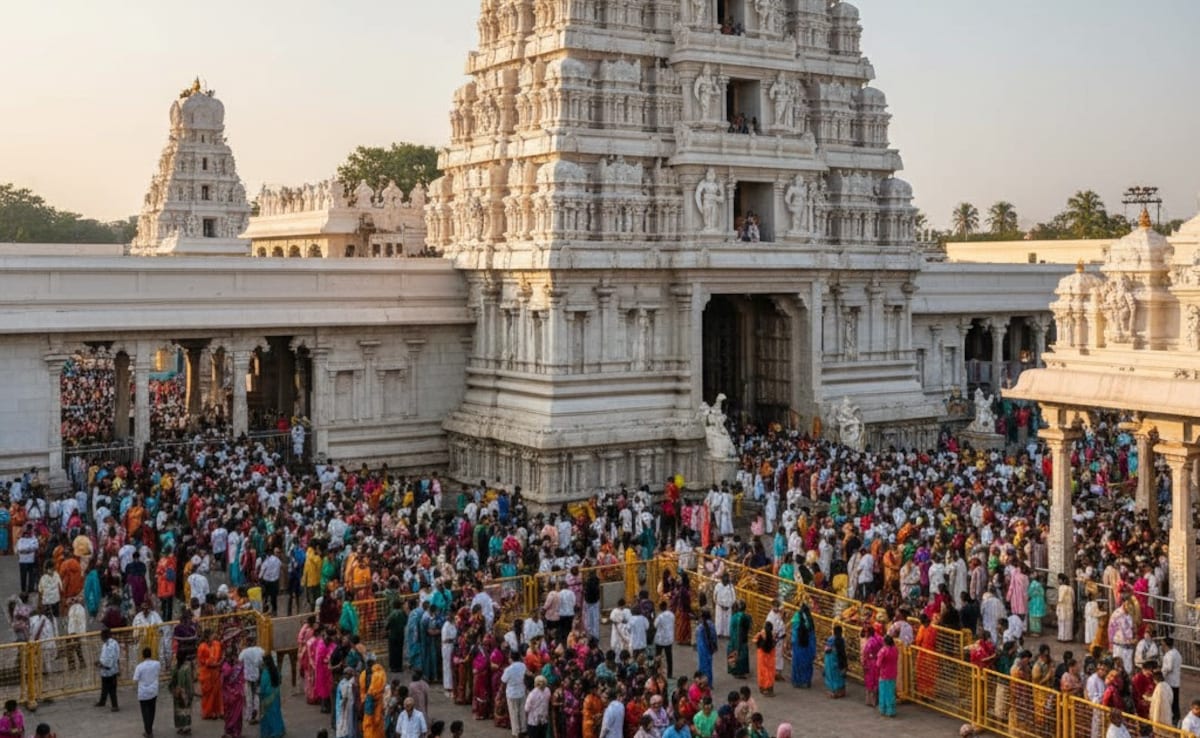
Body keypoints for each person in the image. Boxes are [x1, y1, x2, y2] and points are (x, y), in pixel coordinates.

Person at [133, 646, 161, 738]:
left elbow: (135, 679)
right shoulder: (157, 664)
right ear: (151, 654)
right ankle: (149, 729)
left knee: (145, 712)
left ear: (142, 656)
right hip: (153, 691)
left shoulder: (139, 667)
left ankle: (148, 730)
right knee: (152, 711)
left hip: (143, 692)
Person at [197, 630, 223, 720]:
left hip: (215, 672)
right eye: (212, 635)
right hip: (206, 673)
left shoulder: (217, 644)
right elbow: (203, 661)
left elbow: (220, 656)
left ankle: (217, 711)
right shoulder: (202, 647)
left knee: (217, 693)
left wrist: (218, 663)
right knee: (208, 694)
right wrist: (214, 664)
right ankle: (208, 712)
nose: (214, 636)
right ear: (207, 637)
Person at [501, 650, 528, 738]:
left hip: (512, 693)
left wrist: (500, 692)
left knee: (513, 713)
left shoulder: (508, 669)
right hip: (521, 691)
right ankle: (523, 729)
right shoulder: (523, 666)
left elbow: (503, 681)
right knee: (522, 711)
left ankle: (516, 732)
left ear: (511, 658)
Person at [258, 653, 285, 738]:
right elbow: (280, 679)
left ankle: (271, 731)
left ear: (265, 662)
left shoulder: (265, 672)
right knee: (277, 712)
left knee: (268, 715)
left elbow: (262, 686)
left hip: (267, 697)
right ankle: (279, 730)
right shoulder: (275, 669)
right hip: (276, 695)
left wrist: (260, 694)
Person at [222, 647, 247, 738]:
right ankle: (234, 731)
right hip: (235, 694)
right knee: (234, 714)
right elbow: (242, 680)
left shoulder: (225, 666)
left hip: (229, 695)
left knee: (232, 713)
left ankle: (230, 730)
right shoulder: (238, 667)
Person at [789, 602, 815, 689]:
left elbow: (794, 634)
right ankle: (806, 681)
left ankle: (797, 681)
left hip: (799, 646)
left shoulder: (797, 620)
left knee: (797, 664)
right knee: (807, 664)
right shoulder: (810, 621)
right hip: (808, 648)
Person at [169, 652, 195, 736]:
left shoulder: (174, 668)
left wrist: (173, 690)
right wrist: (191, 693)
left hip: (177, 692)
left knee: (178, 711)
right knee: (186, 710)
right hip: (185, 693)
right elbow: (189, 682)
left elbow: (171, 681)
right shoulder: (186, 668)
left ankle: (180, 727)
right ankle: (186, 728)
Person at [96, 627, 121, 711]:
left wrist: (102, 665)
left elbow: (110, 659)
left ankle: (115, 705)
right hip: (107, 670)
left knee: (111, 689)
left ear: (105, 635)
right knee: (105, 687)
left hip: (110, 671)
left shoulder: (110, 645)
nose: (100, 637)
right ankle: (102, 701)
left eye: (101, 635)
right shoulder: (108, 643)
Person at [360, 659, 386, 738]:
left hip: (368, 701)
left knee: (369, 723)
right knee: (375, 722)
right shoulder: (379, 674)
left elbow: (362, 690)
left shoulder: (363, 674)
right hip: (374, 702)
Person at [877, 635, 899, 718]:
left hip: (884, 674)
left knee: (883, 692)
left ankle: (883, 709)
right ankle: (891, 710)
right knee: (891, 692)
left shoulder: (883, 651)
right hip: (893, 673)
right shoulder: (895, 650)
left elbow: (878, 663)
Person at [822, 624, 847, 699]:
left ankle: (833, 692)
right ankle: (841, 692)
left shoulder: (831, 639)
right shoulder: (842, 640)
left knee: (832, 676)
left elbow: (826, 649)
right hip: (840, 661)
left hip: (831, 661)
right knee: (839, 677)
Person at [727, 602, 750, 679]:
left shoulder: (734, 616)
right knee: (741, 654)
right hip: (741, 639)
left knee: (733, 653)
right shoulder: (746, 617)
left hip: (733, 639)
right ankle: (740, 672)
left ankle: (733, 670)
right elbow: (748, 627)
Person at [654, 601, 676, 678]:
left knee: (658, 656)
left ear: (660, 608)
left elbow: (655, 625)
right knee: (669, 657)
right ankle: (670, 674)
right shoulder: (671, 615)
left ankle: (656, 672)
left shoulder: (660, 617)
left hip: (660, 639)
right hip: (669, 639)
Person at [696, 610, 717, 687]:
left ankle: (703, 682)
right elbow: (714, 637)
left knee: (703, 666)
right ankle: (709, 683)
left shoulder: (700, 627)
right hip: (709, 648)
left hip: (702, 648)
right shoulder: (711, 625)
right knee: (709, 665)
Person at [754, 623, 775, 696]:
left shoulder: (760, 633)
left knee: (761, 672)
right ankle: (768, 689)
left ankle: (762, 688)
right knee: (769, 673)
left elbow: (755, 641)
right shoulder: (771, 635)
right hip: (769, 657)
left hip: (761, 656)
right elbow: (773, 645)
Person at [1056, 573, 1075, 642]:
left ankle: (1061, 637)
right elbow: (1073, 599)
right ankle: (1068, 637)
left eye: (1059, 580)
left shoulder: (1061, 588)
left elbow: (1060, 599)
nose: (1058, 581)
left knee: (1062, 623)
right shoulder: (1071, 589)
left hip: (1062, 608)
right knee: (1068, 623)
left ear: (1062, 580)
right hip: (1069, 608)